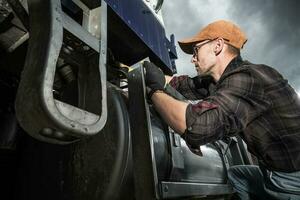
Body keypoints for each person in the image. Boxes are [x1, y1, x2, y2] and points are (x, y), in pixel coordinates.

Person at [143, 20, 300, 200]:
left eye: (196, 51)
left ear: (218, 45)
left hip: (292, 180)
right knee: (236, 176)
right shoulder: (219, 81)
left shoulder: (248, 78)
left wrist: (155, 92)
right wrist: (150, 74)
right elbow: (183, 84)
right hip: (271, 170)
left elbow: (197, 127)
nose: (192, 58)